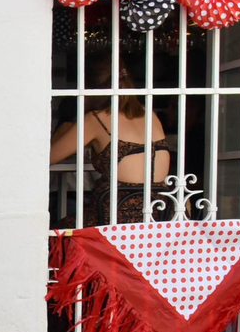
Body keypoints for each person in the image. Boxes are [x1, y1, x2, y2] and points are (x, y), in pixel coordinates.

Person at [49, 62, 171, 226]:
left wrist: (65, 128)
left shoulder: (96, 120)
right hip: (157, 218)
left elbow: (49, 157)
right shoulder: (150, 114)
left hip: (112, 219)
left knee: (58, 232)